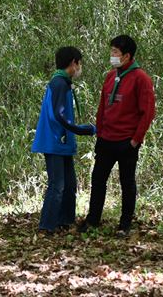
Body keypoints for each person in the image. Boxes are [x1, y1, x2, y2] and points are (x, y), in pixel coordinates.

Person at [78, 35, 155, 237]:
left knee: (126, 183)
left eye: (115, 53)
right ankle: (92, 220)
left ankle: (125, 224)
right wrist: (100, 132)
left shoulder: (141, 79)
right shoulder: (111, 76)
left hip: (126, 141)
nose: (112, 56)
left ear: (127, 56)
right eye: (111, 51)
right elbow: (103, 106)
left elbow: (147, 112)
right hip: (106, 139)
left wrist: (135, 140)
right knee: (98, 179)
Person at [31, 47, 96, 235]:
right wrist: (81, 129)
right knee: (57, 185)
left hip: (63, 142)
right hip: (54, 141)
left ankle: (64, 221)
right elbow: (59, 115)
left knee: (69, 184)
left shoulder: (63, 82)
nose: (80, 67)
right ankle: (46, 226)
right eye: (79, 63)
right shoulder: (59, 83)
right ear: (73, 63)